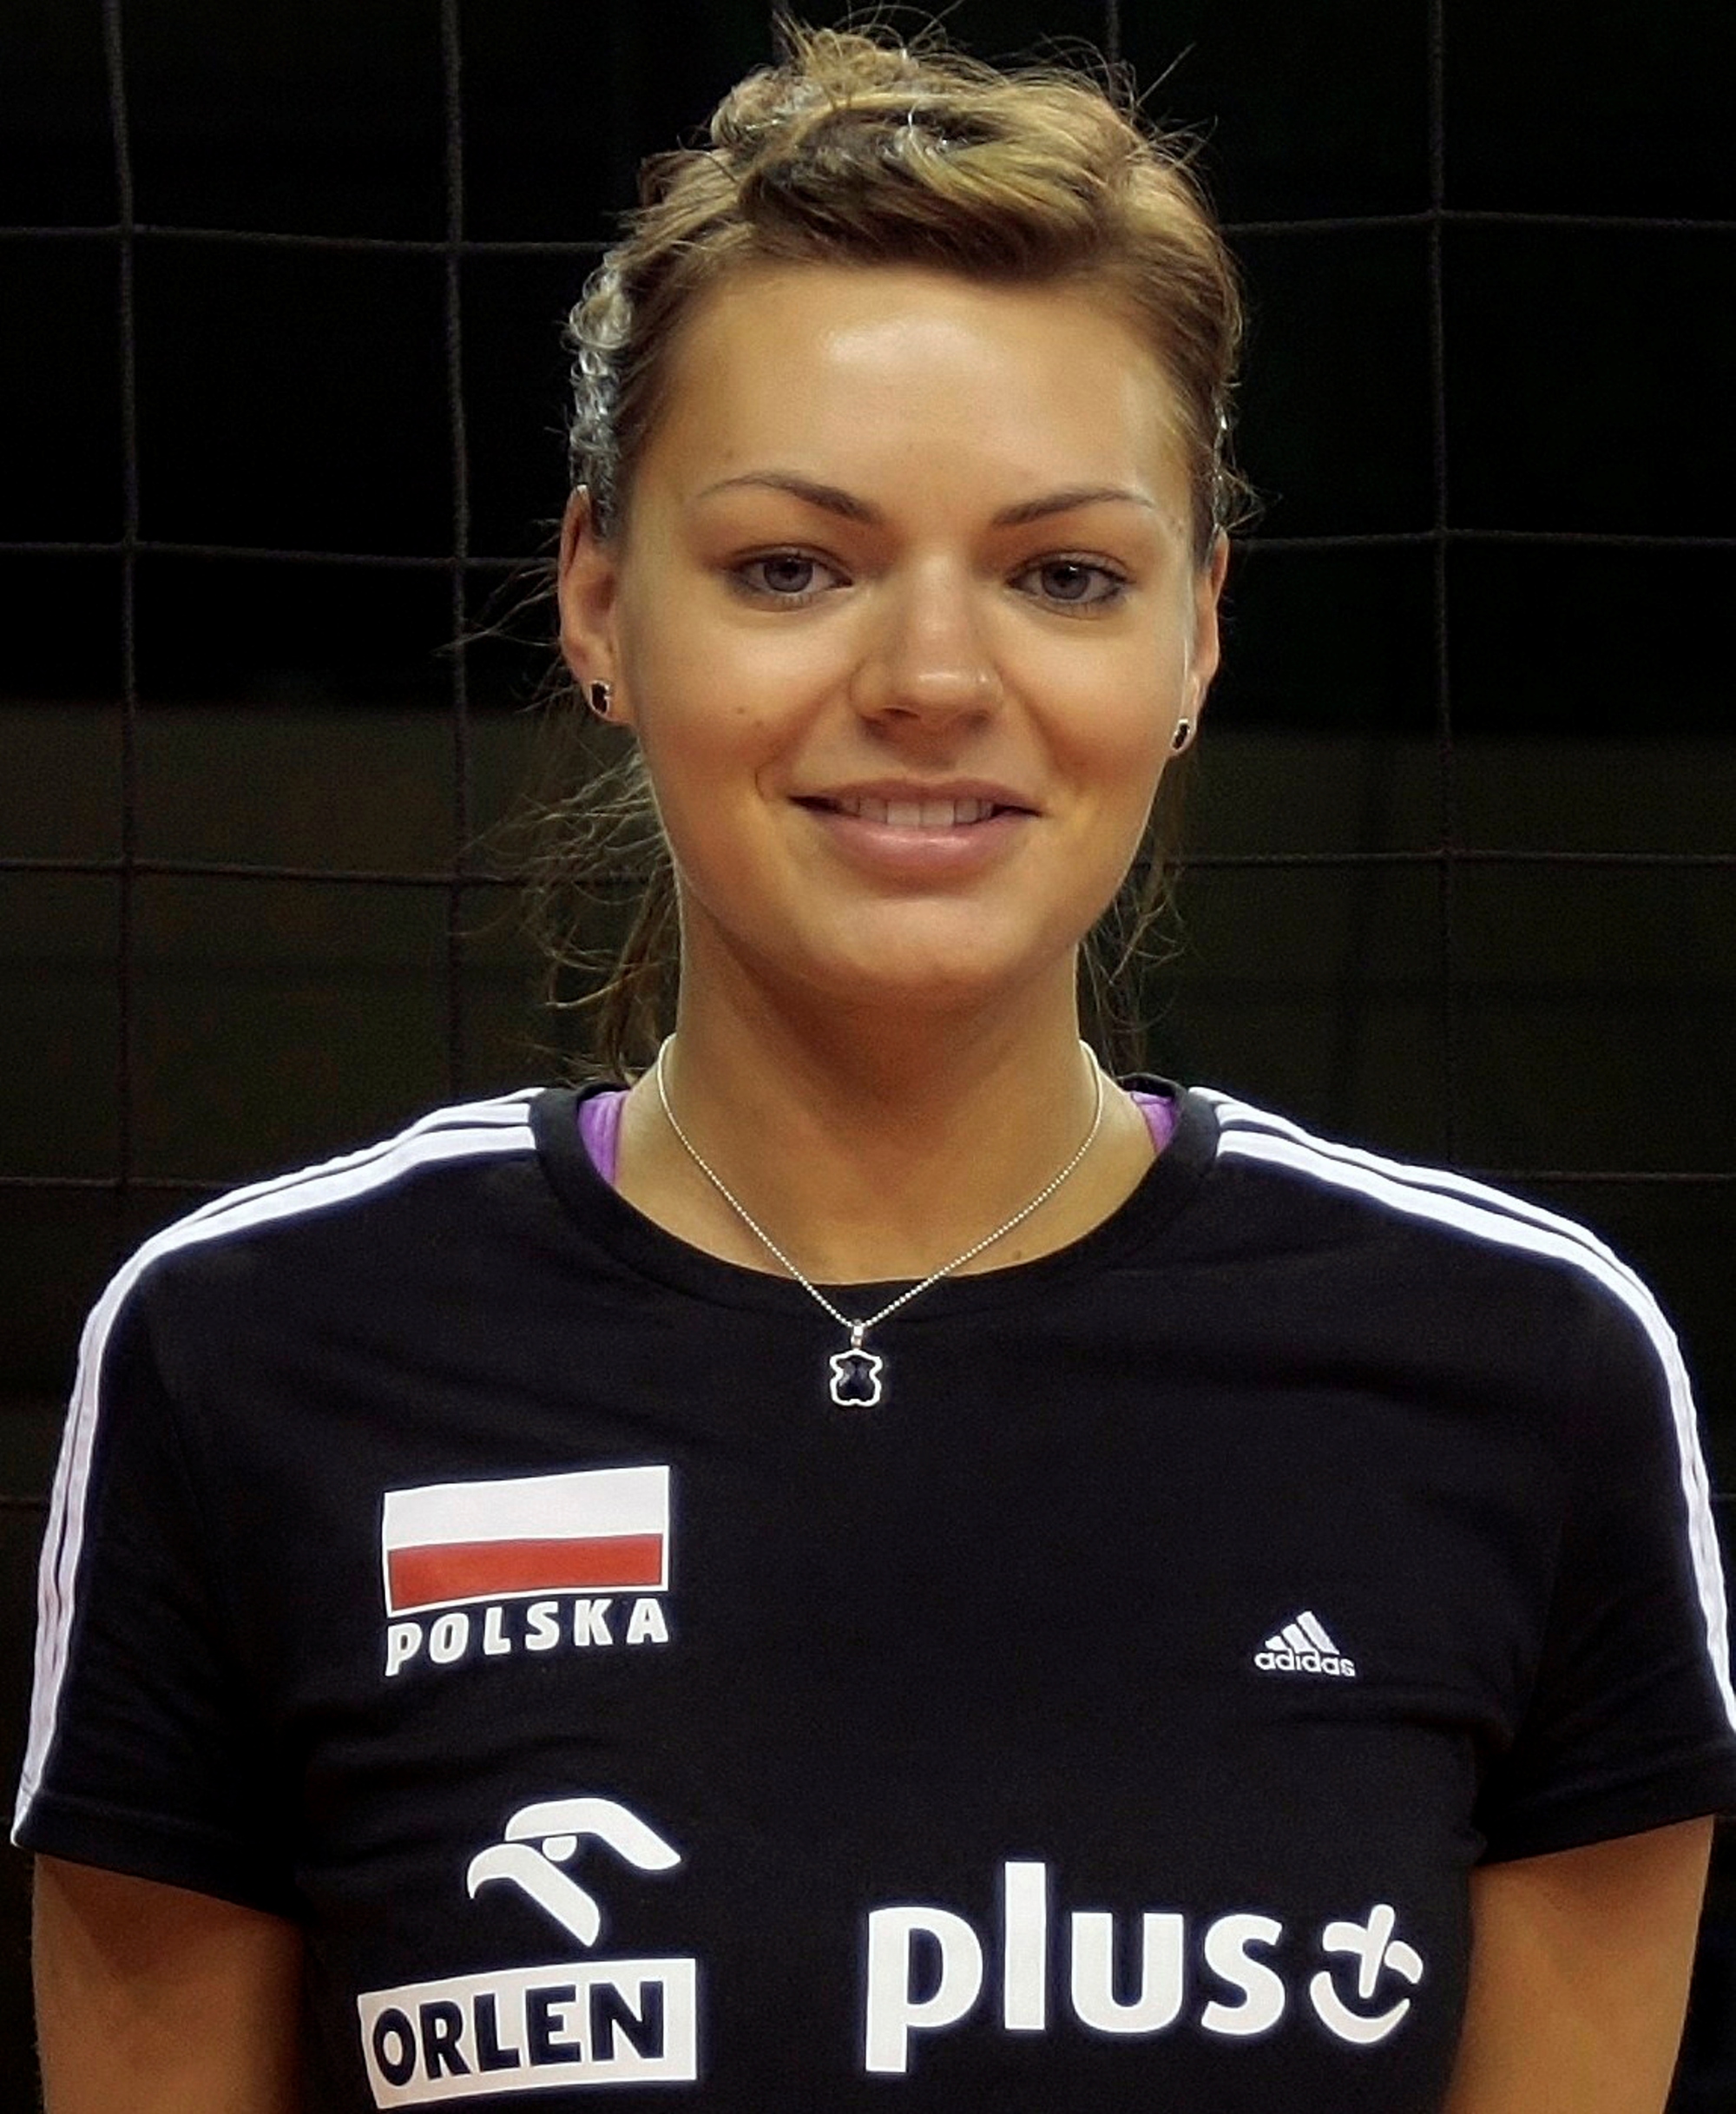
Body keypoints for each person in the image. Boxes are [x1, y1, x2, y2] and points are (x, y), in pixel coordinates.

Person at [15, 22, 1736, 2113]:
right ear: (598, 605)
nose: (930, 678)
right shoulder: (251, 1352)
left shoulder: (1526, 1369)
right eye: (792, 567)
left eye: (1063, 575)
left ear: (1196, 634)